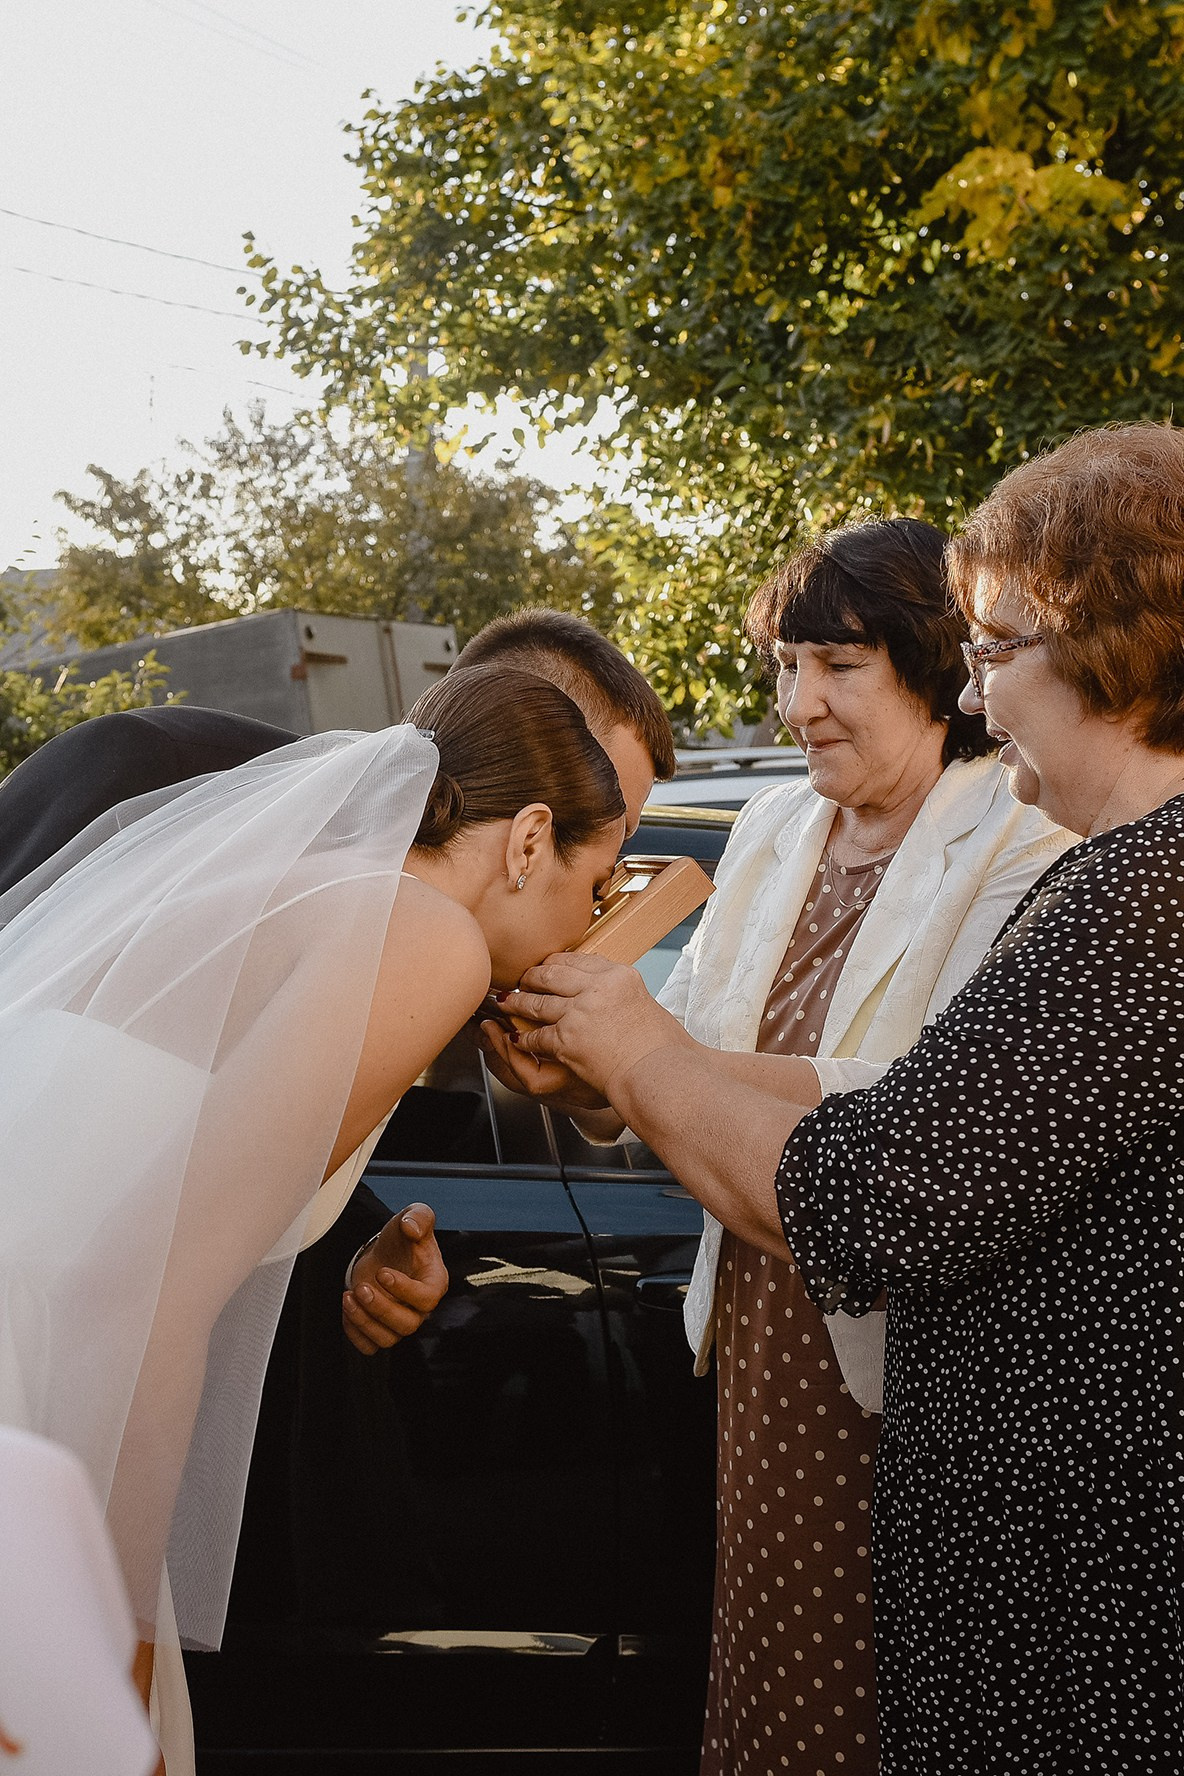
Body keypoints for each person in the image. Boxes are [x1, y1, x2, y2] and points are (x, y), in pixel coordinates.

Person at [491, 423, 1184, 1770]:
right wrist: (606, 1066)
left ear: (1103, 644)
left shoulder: (1133, 891)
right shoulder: (1108, 873)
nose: (981, 699)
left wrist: (632, 1052)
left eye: (997, 654)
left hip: (1075, 1561)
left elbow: (890, 1183)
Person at [0, 663, 631, 1775]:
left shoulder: (311, 892)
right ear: (528, 840)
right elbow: (131, 1291)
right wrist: (119, 1655)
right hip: (41, 1397)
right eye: (597, 883)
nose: (587, 930)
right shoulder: (427, 938)